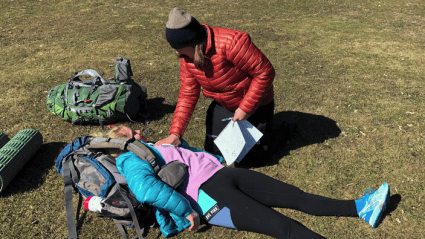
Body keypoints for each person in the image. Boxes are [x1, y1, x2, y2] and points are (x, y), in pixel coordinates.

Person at [104, 126, 390, 239]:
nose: (140, 130)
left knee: (294, 196)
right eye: (132, 130)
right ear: (121, 138)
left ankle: (361, 207)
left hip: (224, 174)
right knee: (283, 227)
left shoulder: (153, 146)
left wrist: (178, 142)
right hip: (209, 197)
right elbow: (146, 189)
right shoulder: (128, 159)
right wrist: (186, 211)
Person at [155, 7, 276, 167]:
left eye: (180, 48)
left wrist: (245, 108)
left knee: (252, 160)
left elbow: (265, 72)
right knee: (214, 151)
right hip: (224, 103)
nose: (177, 53)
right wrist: (175, 133)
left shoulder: (233, 42)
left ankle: (280, 130)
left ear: (193, 43)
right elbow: (187, 94)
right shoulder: (187, 57)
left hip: (256, 103)